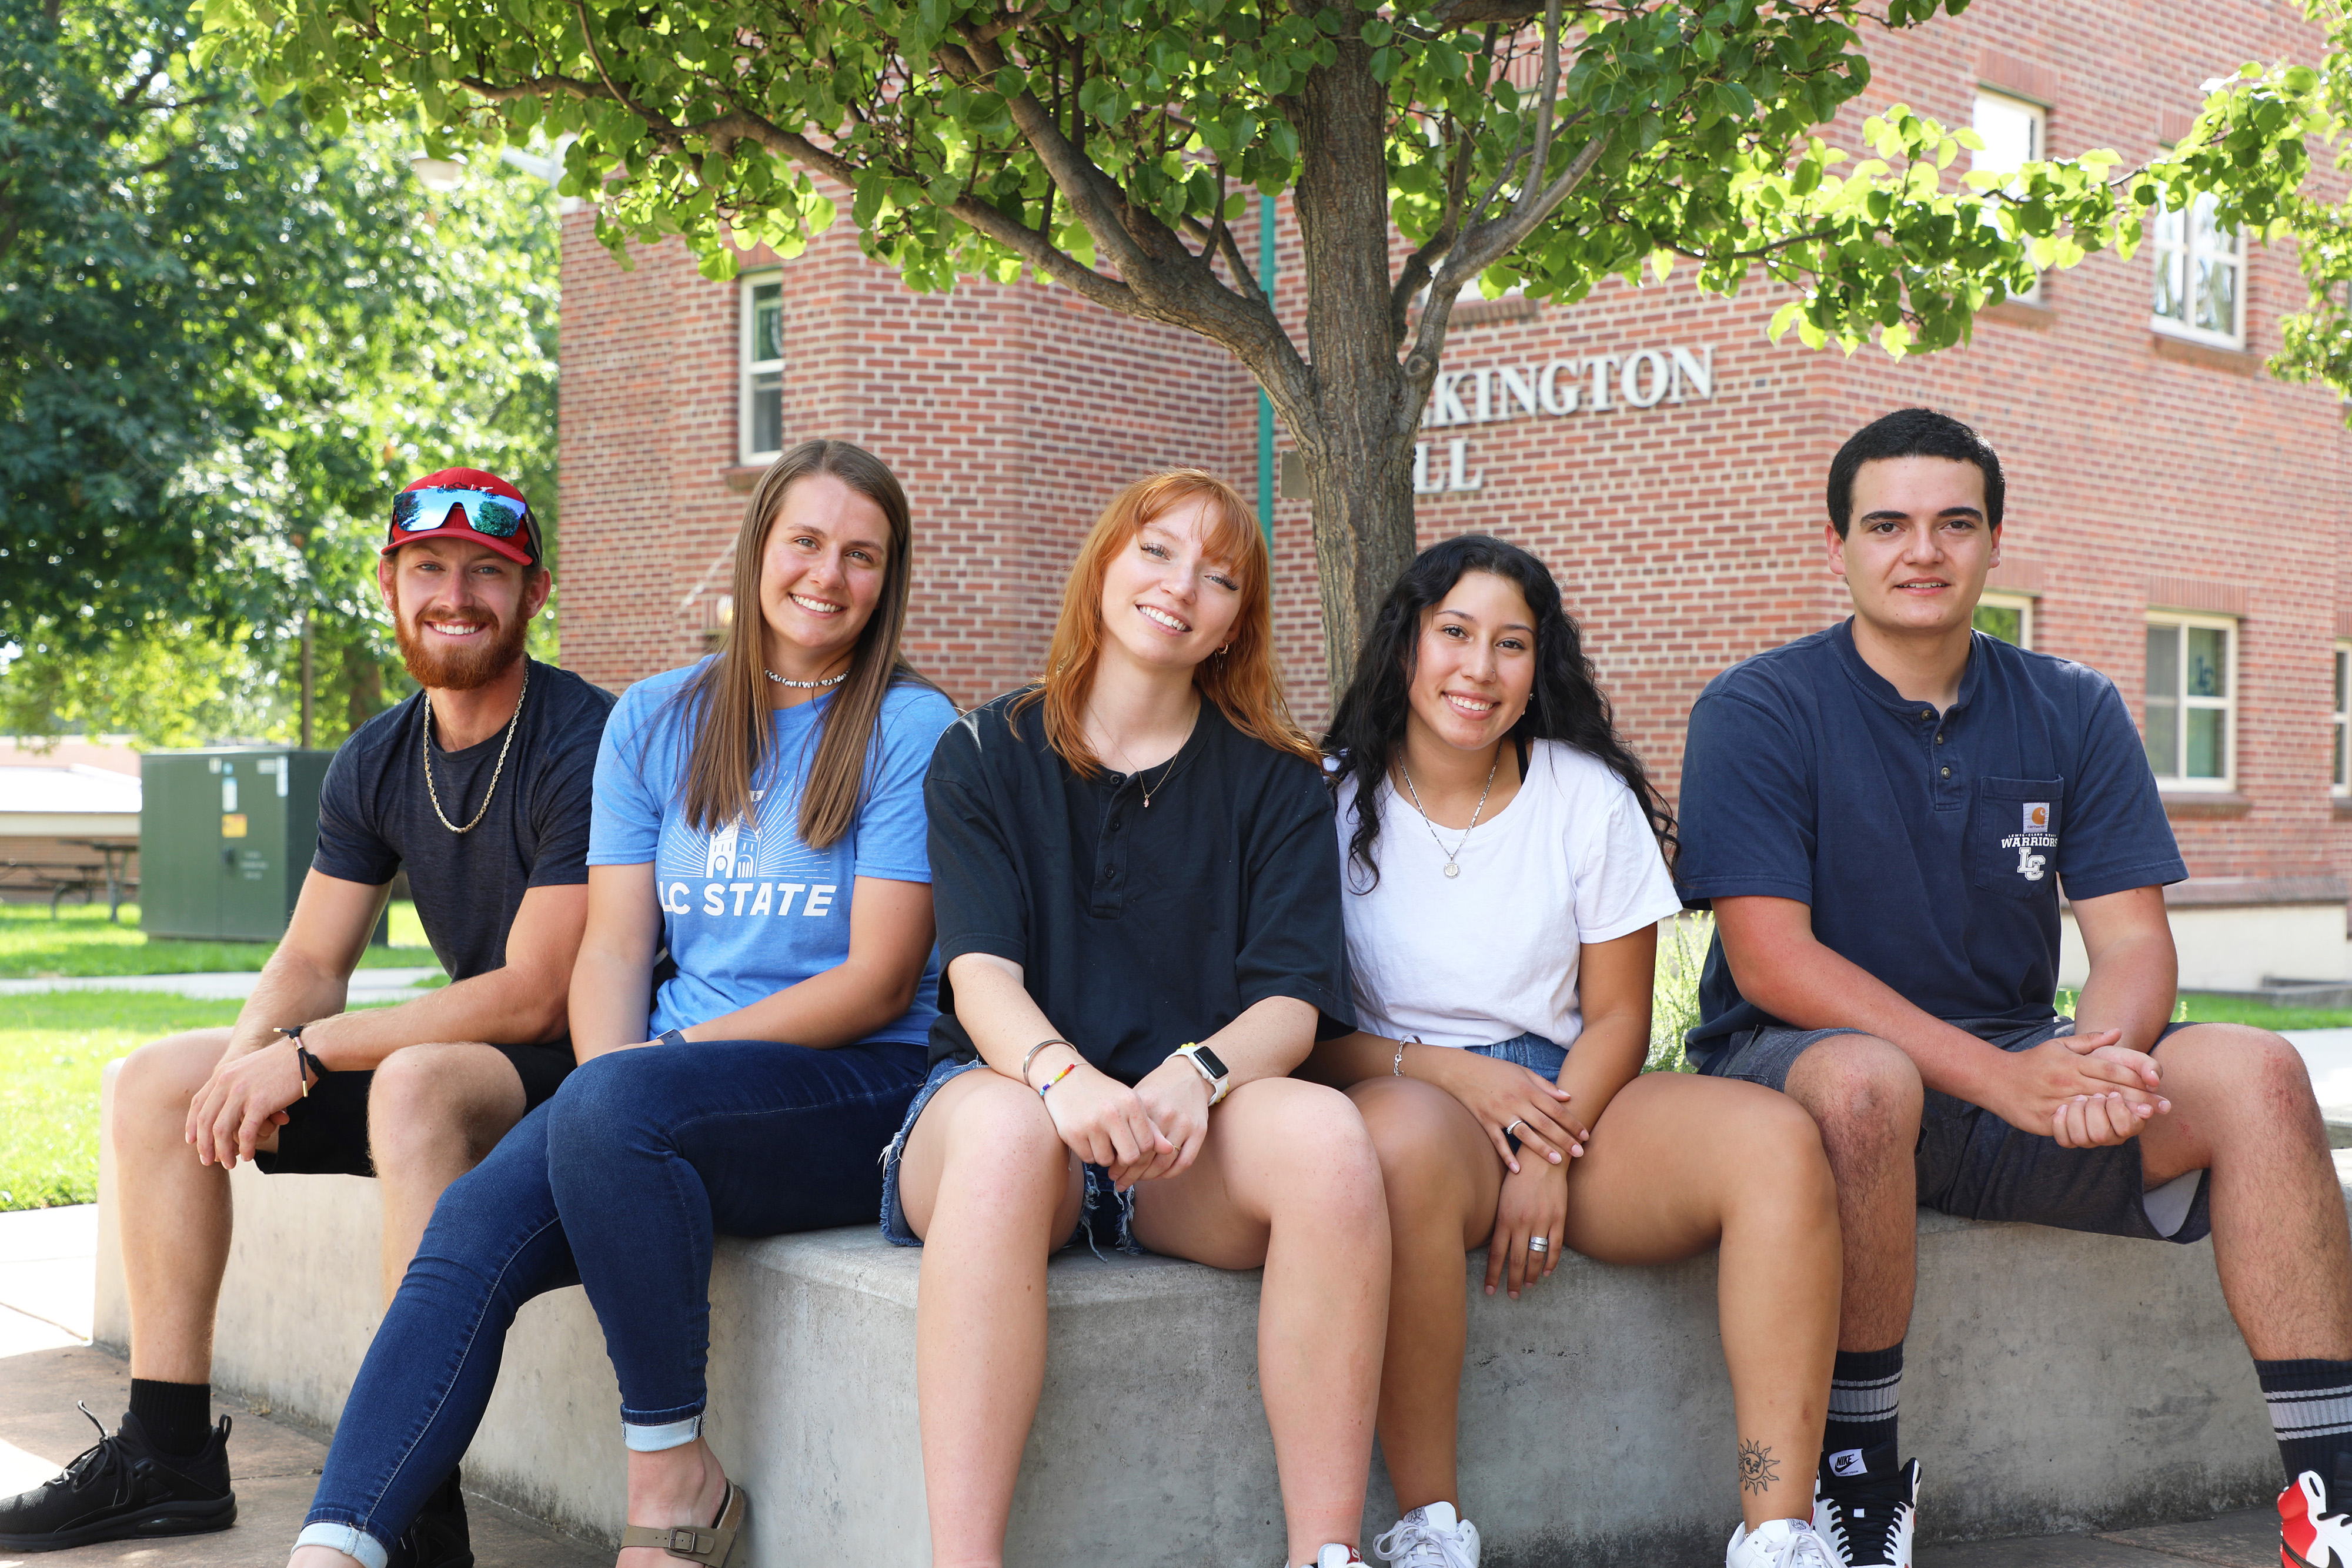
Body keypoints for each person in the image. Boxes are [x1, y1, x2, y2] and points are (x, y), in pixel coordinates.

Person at [1675, 407, 2352, 1568]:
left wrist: (2092, 1063)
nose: (1919, 550)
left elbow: (2132, 944)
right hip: (1805, 1072)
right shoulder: (1757, 708)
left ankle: (2326, 1502)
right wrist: (2009, 1076)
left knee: (2258, 1069)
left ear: (1992, 541)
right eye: (1885, 523)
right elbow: (1773, 958)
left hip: (2019, 1075)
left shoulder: (2069, 704)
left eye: (1953, 522)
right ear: (1836, 542)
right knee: (1863, 1079)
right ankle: (1857, 1479)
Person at [280, 439, 955, 1568]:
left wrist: (644, 1073)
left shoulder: (908, 728)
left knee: (609, 1110)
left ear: (889, 580)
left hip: (856, 1089)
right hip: (662, 1092)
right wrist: (615, 1076)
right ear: (757, 552)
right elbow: (613, 946)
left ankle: (673, 1481)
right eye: (805, 542)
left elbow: (878, 982)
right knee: (469, 1232)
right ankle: (339, 1544)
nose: (828, 577)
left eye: (862, 556)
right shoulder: (654, 718)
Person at [0, 470, 609, 1562]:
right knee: (156, 1082)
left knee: (420, 1083)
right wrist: (243, 1068)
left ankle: (415, 1497)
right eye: (429, 569)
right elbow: (311, 958)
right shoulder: (379, 754)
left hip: (583, 1069)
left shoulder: (585, 738)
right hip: (474, 1058)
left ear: (533, 594)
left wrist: (307, 1053)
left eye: (488, 574)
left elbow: (536, 995)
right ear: (390, 583)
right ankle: (169, 1452)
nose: (455, 595)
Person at [881, 469, 1387, 1568]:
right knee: (1014, 1138)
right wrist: (1067, 1081)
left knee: (1329, 1143)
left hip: (1178, 1140)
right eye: (1157, 551)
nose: (1180, 586)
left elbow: (1292, 1003)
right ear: (1107, 562)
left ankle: (1327, 1552)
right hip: (1006, 1107)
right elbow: (979, 977)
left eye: (1218, 576)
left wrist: (1196, 1073)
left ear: (1234, 623)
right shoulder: (983, 750)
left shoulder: (1279, 780)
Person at [1307, 535, 1840, 1568]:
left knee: (1776, 1141)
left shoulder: (1580, 793)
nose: (1480, 669)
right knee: (1408, 1142)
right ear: (1405, 646)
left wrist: (1548, 1144)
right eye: (1455, 634)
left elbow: (1616, 1023)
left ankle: (1779, 1530)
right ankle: (1429, 1527)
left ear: (1538, 667)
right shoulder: (1322, 797)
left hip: (1575, 1097)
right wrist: (1455, 1074)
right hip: (1403, 1085)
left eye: (1512, 644)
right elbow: (1311, 1040)